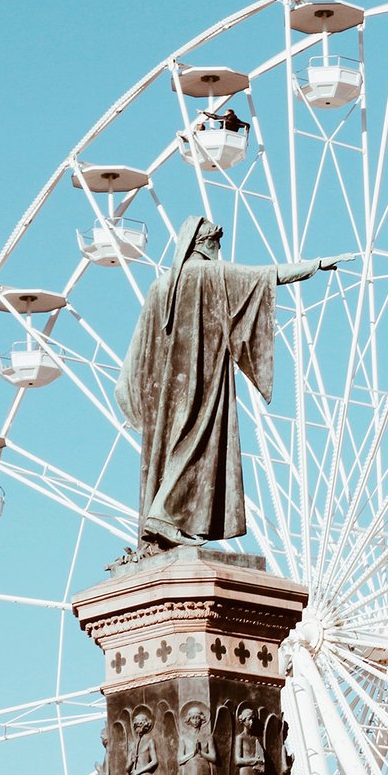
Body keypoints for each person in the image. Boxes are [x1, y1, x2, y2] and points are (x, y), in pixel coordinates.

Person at [115, 216, 357, 550]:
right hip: (200, 380)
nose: (219, 250)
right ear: (204, 243)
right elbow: (267, 277)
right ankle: (164, 513)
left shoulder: (159, 287)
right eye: (216, 243)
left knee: (173, 448)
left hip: (161, 392)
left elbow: (137, 349)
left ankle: (163, 515)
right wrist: (315, 265)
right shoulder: (211, 273)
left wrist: (134, 392)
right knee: (197, 443)